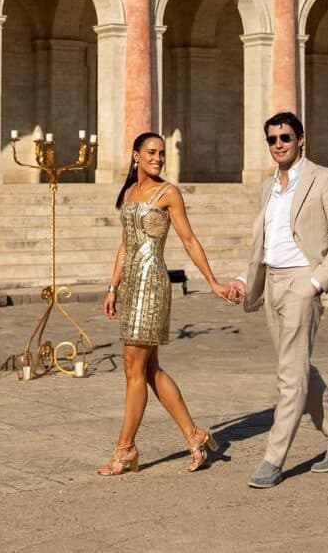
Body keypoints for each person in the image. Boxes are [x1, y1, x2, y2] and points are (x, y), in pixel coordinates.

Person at [227, 111, 328, 488]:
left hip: (304, 281)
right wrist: (244, 278)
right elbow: (264, 242)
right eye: (271, 139)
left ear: (301, 139)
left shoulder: (323, 178)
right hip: (273, 282)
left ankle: (273, 458)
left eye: (285, 137)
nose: (278, 145)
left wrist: (316, 282)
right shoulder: (267, 187)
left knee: (289, 375)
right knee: (298, 366)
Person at [98, 131, 231, 476]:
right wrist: (112, 287)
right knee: (149, 369)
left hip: (153, 285)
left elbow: (188, 240)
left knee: (132, 367)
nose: (158, 158)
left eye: (162, 153)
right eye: (152, 152)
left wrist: (213, 281)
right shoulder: (129, 193)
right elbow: (125, 246)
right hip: (130, 287)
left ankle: (125, 449)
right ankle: (195, 435)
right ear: (136, 156)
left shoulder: (169, 192)